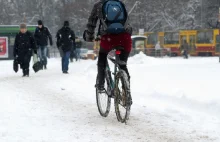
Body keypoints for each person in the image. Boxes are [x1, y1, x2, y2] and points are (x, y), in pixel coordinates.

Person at [83, 0, 132, 91]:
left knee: (102, 58)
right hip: (125, 38)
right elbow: (128, 23)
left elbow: (91, 23)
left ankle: (100, 84)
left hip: (108, 38)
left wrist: (89, 37)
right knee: (122, 64)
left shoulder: (99, 5)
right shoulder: (121, 4)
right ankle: (126, 91)